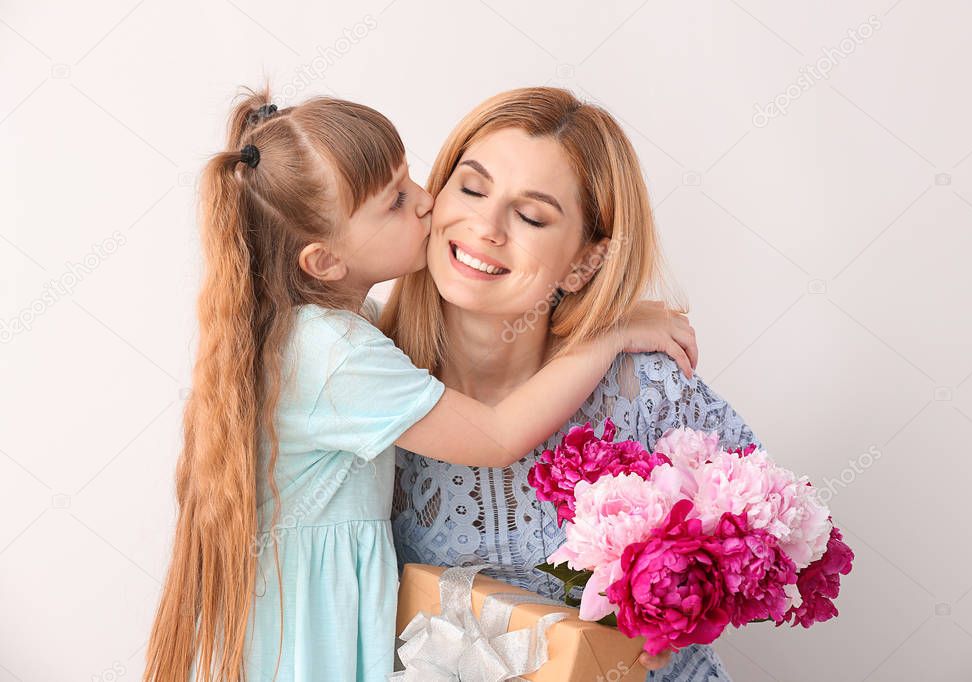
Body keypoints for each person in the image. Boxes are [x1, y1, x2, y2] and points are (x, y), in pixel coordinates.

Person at [142, 88, 699, 682]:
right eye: (395, 202)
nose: (427, 202)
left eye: (412, 180)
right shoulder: (337, 355)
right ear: (325, 262)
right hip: (311, 632)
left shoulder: (334, 334)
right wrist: (606, 338)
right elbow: (496, 434)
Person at [387, 87, 759, 681]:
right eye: (473, 188)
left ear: (585, 262)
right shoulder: (370, 384)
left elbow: (765, 536)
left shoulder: (645, 387)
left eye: (531, 216)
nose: (485, 225)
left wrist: (685, 609)